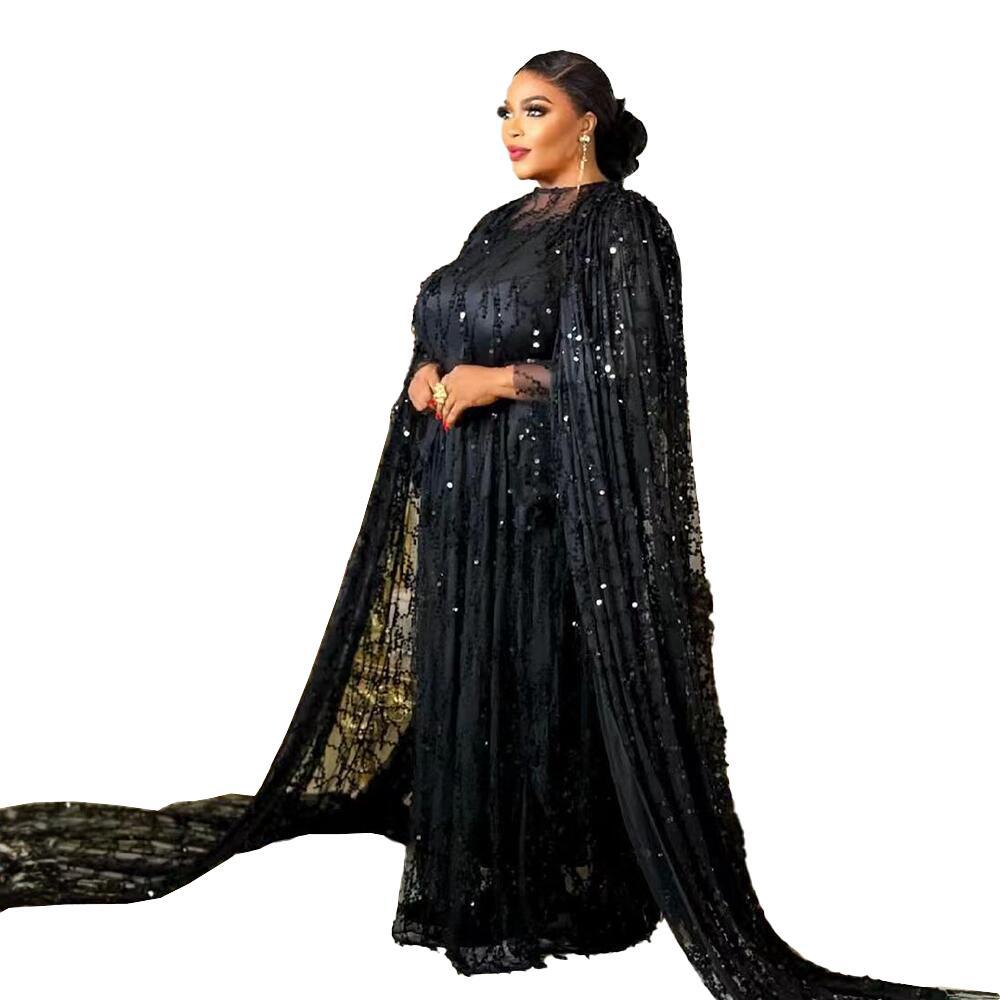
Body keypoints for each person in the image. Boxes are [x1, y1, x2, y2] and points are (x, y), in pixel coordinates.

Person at [0, 49, 996, 999]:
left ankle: (558, 888)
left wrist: (499, 380)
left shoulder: (623, 225)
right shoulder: (495, 225)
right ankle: (478, 867)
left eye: (534, 110)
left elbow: (628, 374)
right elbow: (445, 324)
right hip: (461, 491)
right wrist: (429, 373)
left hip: (553, 504)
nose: (512, 130)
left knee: (539, 669)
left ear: (587, 122)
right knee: (463, 665)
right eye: (504, 114)